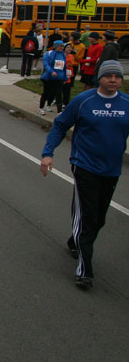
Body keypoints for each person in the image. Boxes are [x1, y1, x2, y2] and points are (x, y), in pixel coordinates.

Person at [40, 60, 129, 289]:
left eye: (117, 77)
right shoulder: (83, 101)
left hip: (111, 169)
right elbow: (60, 126)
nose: (113, 80)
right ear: (99, 78)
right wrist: (48, 153)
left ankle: (74, 241)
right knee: (87, 216)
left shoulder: (126, 103)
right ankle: (84, 269)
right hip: (85, 167)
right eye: (108, 76)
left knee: (99, 219)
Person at [39, 40, 67, 115]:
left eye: (62, 46)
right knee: (46, 93)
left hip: (59, 78)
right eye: (60, 46)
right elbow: (46, 64)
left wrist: (65, 78)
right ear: (56, 46)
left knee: (58, 94)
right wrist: (51, 71)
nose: (62, 48)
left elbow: (64, 67)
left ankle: (59, 111)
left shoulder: (63, 55)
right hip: (49, 78)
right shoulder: (49, 54)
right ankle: (41, 107)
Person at [61, 43, 75, 108]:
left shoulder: (71, 56)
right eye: (68, 47)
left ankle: (66, 103)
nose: (69, 49)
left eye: (70, 47)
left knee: (67, 90)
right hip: (61, 74)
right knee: (60, 89)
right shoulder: (61, 55)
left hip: (69, 75)